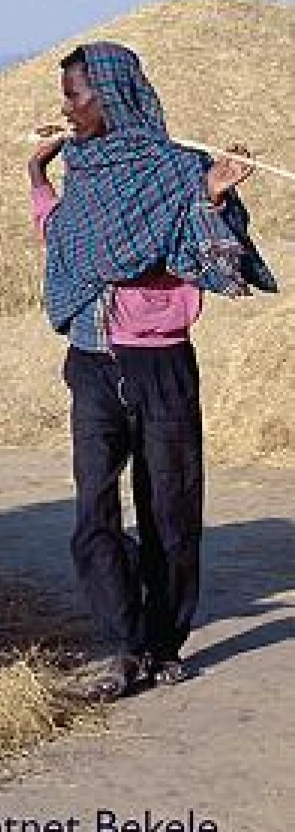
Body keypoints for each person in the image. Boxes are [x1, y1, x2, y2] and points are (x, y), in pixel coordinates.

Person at [28, 41, 276, 699]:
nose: (67, 107)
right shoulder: (81, 167)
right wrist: (36, 176)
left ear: (111, 95)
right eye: (67, 95)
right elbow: (67, 243)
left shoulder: (179, 171)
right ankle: (125, 641)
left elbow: (213, 263)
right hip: (91, 359)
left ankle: (164, 644)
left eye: (77, 94)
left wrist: (212, 199)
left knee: (170, 508)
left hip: (160, 363)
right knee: (93, 512)